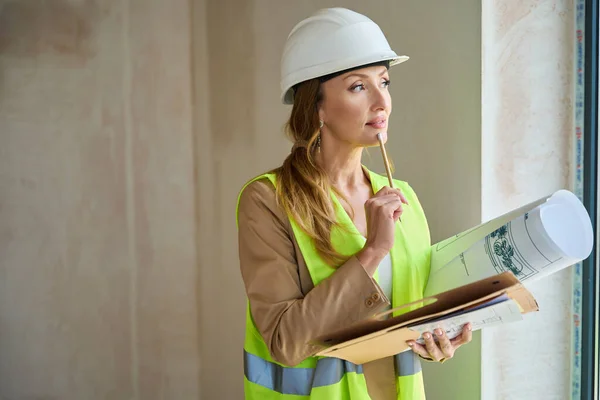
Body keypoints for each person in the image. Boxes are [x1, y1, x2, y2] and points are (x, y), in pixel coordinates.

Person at [236, 7, 472, 400]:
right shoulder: (267, 201)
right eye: (358, 87)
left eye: (384, 81)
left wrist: (438, 341)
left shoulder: (403, 197)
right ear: (318, 106)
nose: (382, 101)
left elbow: (411, 317)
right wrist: (374, 251)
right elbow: (285, 341)